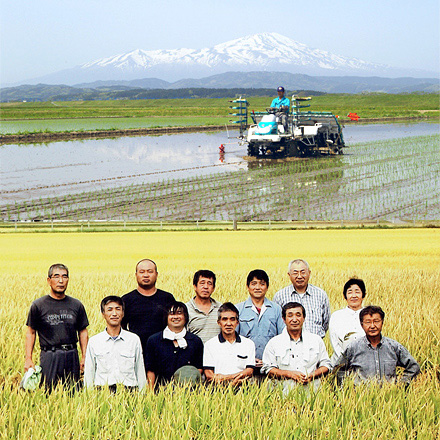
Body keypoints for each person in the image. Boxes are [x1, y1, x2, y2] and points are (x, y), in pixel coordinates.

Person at [25, 264, 89, 391]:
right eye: (56, 276)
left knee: (74, 393)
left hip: (72, 355)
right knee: (48, 392)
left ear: (68, 280)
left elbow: (83, 331)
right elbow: (31, 332)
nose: (61, 281)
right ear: (49, 280)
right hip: (49, 356)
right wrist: (28, 358)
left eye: (64, 277)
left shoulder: (76, 305)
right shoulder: (38, 305)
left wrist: (84, 356)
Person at [336, 305, 420, 385]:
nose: (372, 326)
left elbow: (413, 366)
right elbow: (338, 370)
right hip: (362, 396)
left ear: (382, 322)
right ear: (362, 325)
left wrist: (401, 384)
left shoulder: (394, 347)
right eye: (368, 322)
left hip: (389, 396)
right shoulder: (353, 348)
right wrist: (346, 389)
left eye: (376, 321)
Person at [261, 302, 331, 393]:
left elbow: (326, 365)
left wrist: (312, 375)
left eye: (298, 315)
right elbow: (268, 369)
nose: (294, 319)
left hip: (312, 395)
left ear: (303, 318)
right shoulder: (274, 343)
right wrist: (290, 374)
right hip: (282, 395)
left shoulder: (316, 340)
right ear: (283, 319)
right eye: (290, 315)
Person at [84, 296, 146, 392]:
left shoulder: (134, 340)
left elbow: (140, 370)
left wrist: (143, 395)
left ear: (123, 313)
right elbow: (89, 372)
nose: (114, 313)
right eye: (109, 310)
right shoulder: (94, 341)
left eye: (118, 309)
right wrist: (88, 396)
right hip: (103, 392)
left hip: (129, 392)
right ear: (103, 314)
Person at [121, 259, 175, 366]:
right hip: (135, 351)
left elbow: (175, 324)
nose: (146, 275)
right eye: (142, 272)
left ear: (156, 274)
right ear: (136, 275)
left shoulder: (167, 298)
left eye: (150, 271)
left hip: (163, 351)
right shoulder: (126, 300)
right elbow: (121, 327)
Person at [145, 302, 204, 388]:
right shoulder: (154, 340)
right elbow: (151, 370)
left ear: (185, 317)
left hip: (188, 393)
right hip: (160, 392)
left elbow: (198, 369)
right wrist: (151, 393)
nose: (175, 317)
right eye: (171, 314)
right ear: (166, 317)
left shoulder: (195, 341)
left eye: (179, 313)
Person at [236, 269, 284, 368]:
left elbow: (282, 337)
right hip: (244, 364)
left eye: (262, 284)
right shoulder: (238, 309)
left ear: (267, 287)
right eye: (253, 284)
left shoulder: (276, 309)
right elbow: (233, 338)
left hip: (271, 364)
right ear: (247, 287)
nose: (257, 287)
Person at [273, 259, 330, 338]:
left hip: (315, 345)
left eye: (303, 272)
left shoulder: (321, 295)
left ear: (309, 273)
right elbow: (277, 323)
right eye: (295, 273)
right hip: (288, 346)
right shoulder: (280, 296)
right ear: (289, 275)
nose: (299, 276)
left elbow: (325, 322)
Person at [203, 302, 255, 385]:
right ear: (219, 322)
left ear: (237, 322)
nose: (228, 323)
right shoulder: (210, 345)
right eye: (224, 319)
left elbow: (249, 371)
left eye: (232, 319)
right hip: (217, 389)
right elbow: (209, 374)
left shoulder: (248, 344)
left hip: (242, 387)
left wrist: (227, 377)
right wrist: (229, 381)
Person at [329, 278, 366, 365]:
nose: (353, 296)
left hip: (365, 364)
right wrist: (345, 361)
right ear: (345, 296)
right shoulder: (336, 316)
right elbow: (335, 342)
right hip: (340, 364)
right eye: (350, 292)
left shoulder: (370, 315)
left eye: (357, 292)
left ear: (363, 295)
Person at [186, 270, 222, 344]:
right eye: (202, 283)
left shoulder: (221, 308)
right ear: (195, 286)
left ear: (213, 288)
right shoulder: (186, 309)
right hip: (195, 354)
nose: (205, 287)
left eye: (209, 283)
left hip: (216, 354)